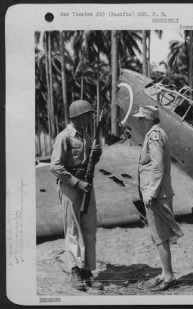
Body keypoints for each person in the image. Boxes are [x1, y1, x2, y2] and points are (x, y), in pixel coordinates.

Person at [50, 100, 103, 291]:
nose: (90, 119)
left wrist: (96, 154)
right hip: (71, 186)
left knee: (89, 228)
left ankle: (88, 270)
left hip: (87, 185)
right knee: (73, 229)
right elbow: (55, 166)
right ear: (78, 117)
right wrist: (76, 182)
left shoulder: (86, 136)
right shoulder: (64, 137)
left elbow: (89, 161)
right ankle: (74, 271)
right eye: (87, 115)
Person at [133, 105, 184, 291]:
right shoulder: (159, 133)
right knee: (160, 236)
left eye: (140, 119)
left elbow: (157, 166)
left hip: (156, 194)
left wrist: (151, 192)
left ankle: (168, 276)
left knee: (160, 237)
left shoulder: (154, 136)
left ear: (147, 119)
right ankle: (165, 272)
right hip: (160, 192)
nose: (138, 122)